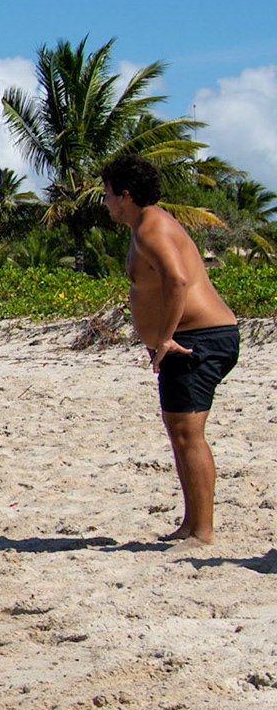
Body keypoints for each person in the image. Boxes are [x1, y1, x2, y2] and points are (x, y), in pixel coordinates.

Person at [104, 153, 240, 543]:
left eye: (108, 194)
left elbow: (177, 282)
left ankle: (203, 531)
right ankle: (191, 524)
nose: (106, 202)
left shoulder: (152, 229)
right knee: (180, 432)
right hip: (197, 338)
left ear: (125, 195)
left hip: (198, 339)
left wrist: (164, 339)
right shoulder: (145, 224)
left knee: (187, 435)